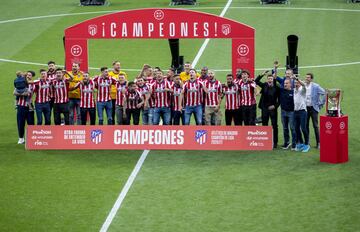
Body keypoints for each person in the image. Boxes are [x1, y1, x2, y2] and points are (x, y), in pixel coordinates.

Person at [255, 72, 281, 148]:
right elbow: (256, 81)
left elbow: (280, 100)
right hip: (264, 108)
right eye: (268, 79)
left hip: (273, 109)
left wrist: (275, 106)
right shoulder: (264, 85)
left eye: (271, 79)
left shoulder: (277, 87)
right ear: (267, 80)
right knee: (264, 125)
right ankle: (265, 141)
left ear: (273, 80)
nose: (270, 80)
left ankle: (275, 142)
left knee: (274, 125)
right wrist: (261, 74)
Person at [305, 73, 325, 149]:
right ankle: (307, 142)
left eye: (308, 78)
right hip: (306, 108)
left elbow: (324, 93)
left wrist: (320, 104)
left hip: (313, 109)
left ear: (311, 79)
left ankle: (318, 143)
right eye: (306, 77)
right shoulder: (303, 85)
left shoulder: (316, 86)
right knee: (305, 126)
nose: (307, 79)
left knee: (315, 126)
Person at [14, 71, 35, 144]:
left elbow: (31, 93)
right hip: (21, 106)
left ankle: (31, 138)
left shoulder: (33, 85)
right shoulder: (20, 83)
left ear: (32, 76)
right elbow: (14, 92)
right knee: (20, 123)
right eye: (27, 75)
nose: (28, 76)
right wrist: (24, 94)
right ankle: (21, 138)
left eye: (30, 75)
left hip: (30, 106)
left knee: (31, 123)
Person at [293, 77, 310, 152]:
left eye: (297, 83)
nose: (296, 84)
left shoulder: (303, 90)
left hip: (302, 112)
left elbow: (304, 85)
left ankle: (307, 144)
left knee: (303, 128)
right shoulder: (294, 90)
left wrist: (297, 79)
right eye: (295, 83)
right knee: (296, 128)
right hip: (295, 112)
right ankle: (301, 143)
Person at [109, 61, 128, 125]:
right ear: (113, 66)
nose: (119, 66)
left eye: (119, 65)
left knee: (124, 116)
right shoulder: (110, 74)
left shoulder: (123, 73)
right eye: (117, 65)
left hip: (122, 99)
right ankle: (113, 127)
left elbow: (126, 83)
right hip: (112, 97)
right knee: (112, 113)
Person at [280, 78, 297, 150]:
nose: (285, 84)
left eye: (287, 83)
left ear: (290, 84)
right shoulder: (281, 90)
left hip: (291, 112)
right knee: (285, 128)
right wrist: (275, 69)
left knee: (292, 128)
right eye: (284, 83)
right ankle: (286, 143)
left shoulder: (294, 92)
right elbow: (275, 79)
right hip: (283, 112)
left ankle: (294, 144)